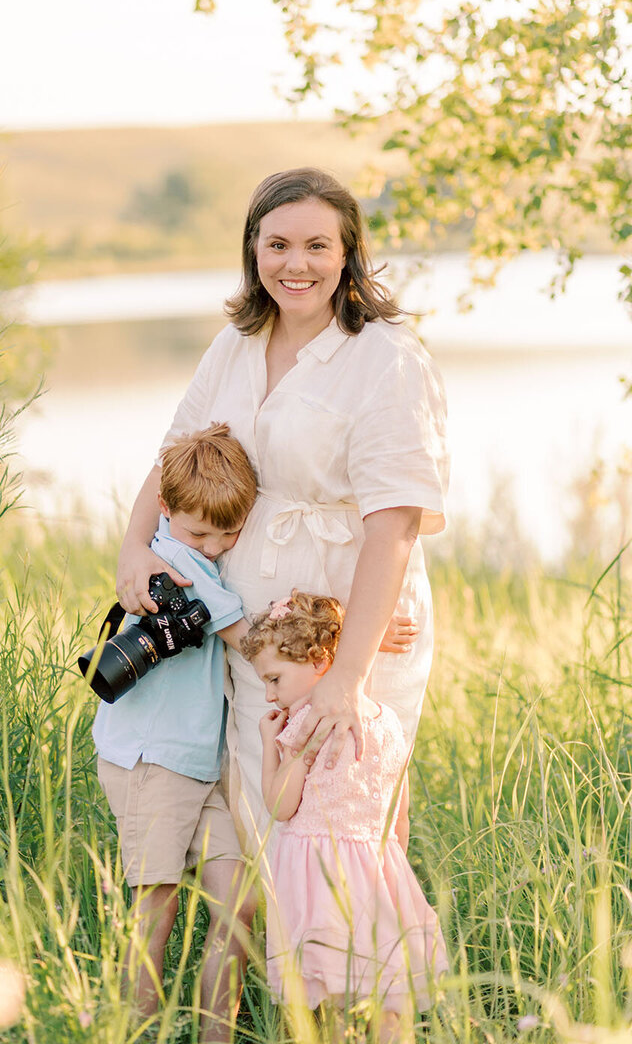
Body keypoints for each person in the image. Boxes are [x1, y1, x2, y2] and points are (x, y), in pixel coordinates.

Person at [115, 167, 448, 846]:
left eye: (318, 246)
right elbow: (172, 455)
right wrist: (133, 546)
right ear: (253, 250)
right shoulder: (233, 345)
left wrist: (348, 677)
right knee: (262, 821)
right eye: (278, 245)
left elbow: (396, 525)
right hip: (254, 628)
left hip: (353, 624)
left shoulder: (387, 357)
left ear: (349, 254)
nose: (296, 264)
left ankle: (361, 956)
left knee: (346, 828)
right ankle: (280, 956)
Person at [92, 423, 259, 1044]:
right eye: (198, 532)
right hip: (151, 762)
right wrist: (359, 641)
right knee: (154, 911)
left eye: (227, 533)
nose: (212, 547)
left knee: (239, 903)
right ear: (164, 510)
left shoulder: (192, 553)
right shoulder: (177, 567)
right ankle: (134, 1033)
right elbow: (256, 646)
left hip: (200, 762)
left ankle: (215, 1035)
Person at [244, 591, 447, 1041]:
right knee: (386, 986)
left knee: (339, 1000)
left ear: (319, 660)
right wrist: (385, 867)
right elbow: (400, 816)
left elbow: (281, 806)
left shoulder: (303, 724)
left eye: (275, 679)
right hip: (379, 871)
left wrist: (268, 745)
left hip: (319, 876)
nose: (269, 693)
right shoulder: (389, 723)